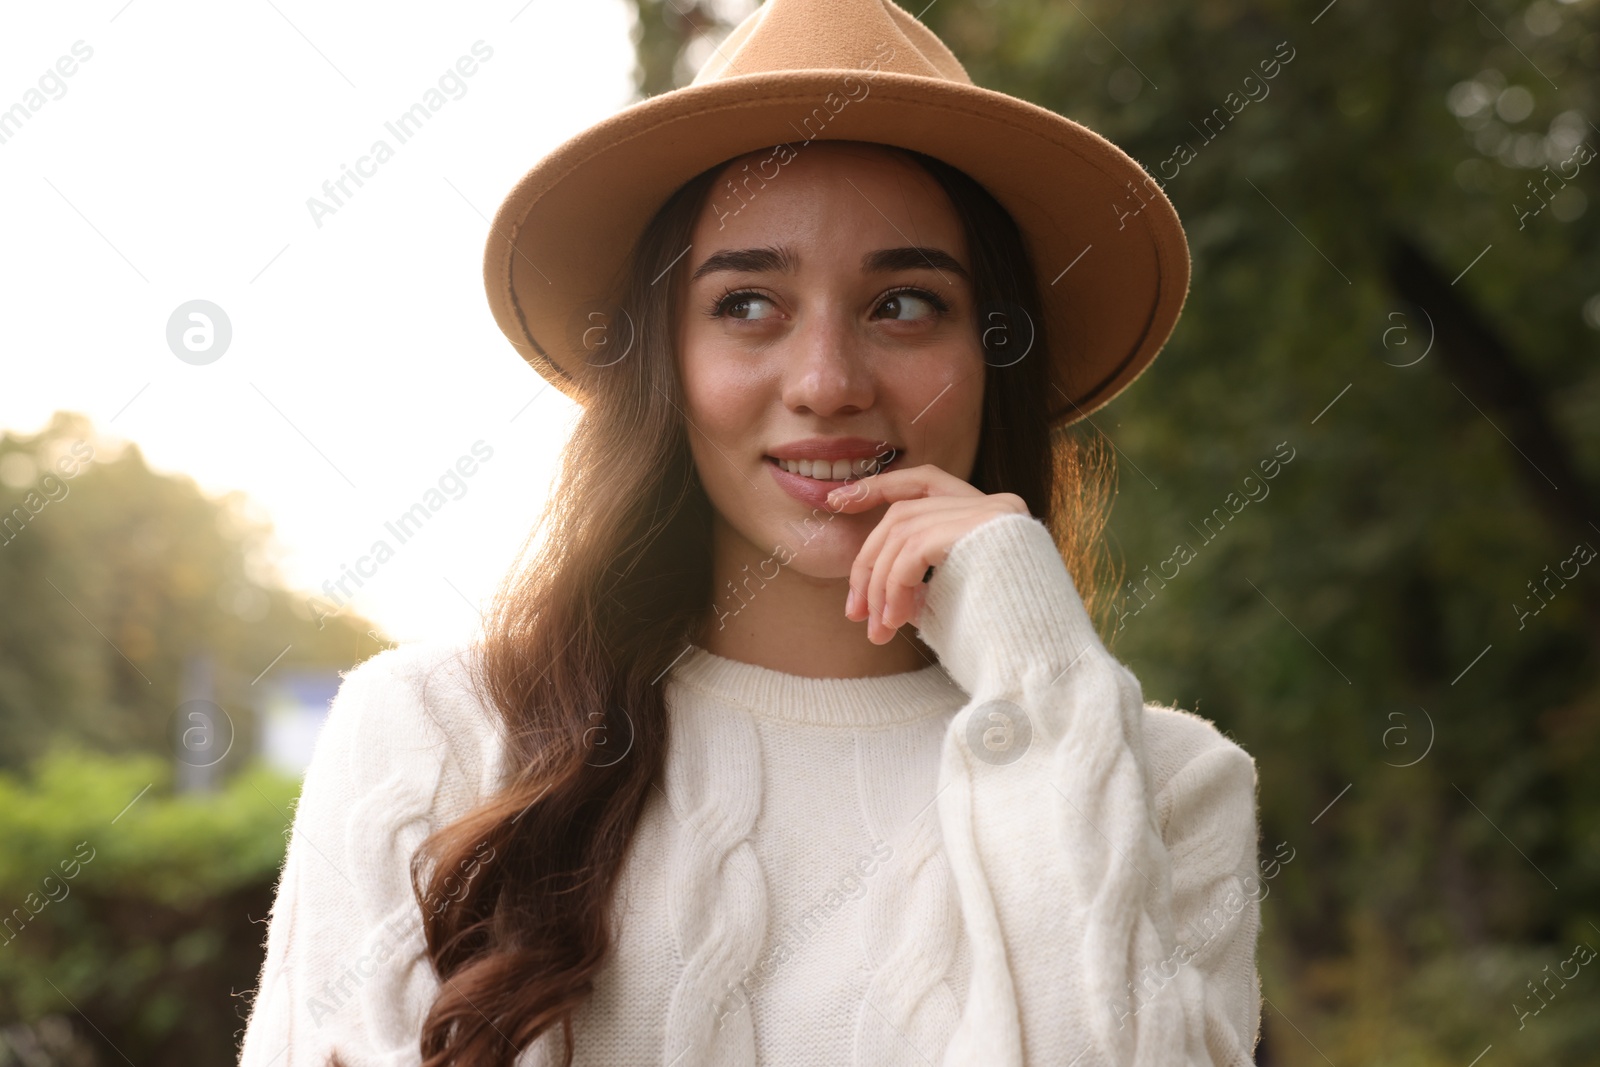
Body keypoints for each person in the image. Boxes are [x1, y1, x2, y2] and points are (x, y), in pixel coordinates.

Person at [237, 1, 1262, 1065]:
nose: (826, 382)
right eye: (746, 304)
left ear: (995, 350)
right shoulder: (434, 736)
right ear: (662, 359)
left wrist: (1047, 690)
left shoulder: (1168, 783)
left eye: (904, 303)